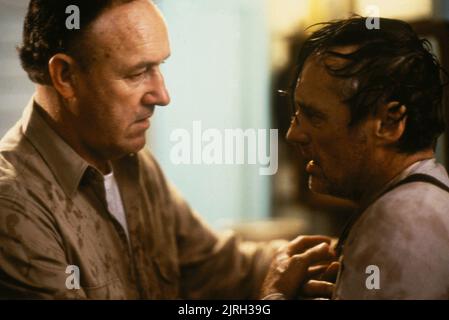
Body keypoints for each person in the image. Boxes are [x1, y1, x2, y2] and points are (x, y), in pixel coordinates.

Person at [0, 0, 335, 299]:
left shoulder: (132, 164)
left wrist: (328, 255)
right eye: (138, 73)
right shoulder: (14, 207)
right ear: (65, 76)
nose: (162, 95)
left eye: (159, 66)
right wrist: (271, 300)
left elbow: (214, 266)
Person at [284, 16, 449, 299]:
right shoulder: (420, 200)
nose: (293, 134)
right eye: (297, 114)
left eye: (313, 116)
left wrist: (272, 296)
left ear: (389, 122)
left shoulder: (398, 225)